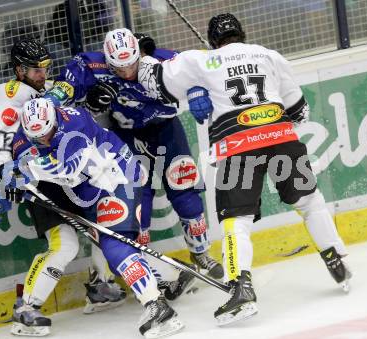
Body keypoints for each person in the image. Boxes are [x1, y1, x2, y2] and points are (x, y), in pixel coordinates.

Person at [137, 13, 351, 326]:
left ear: (213, 41)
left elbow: (155, 82)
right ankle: (337, 259)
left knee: (236, 219)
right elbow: (299, 110)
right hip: (282, 138)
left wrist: (147, 54)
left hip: (237, 146)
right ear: (243, 33)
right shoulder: (269, 55)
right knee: (308, 199)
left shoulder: (201, 61)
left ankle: (241, 288)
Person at [0, 97, 185, 338]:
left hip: (119, 179)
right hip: (91, 192)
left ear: (55, 118)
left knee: (114, 244)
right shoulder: (25, 135)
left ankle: (156, 305)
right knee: (114, 250)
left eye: (48, 132)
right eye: (37, 136)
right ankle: (170, 276)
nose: (44, 139)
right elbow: (23, 164)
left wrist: (21, 173)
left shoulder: (75, 123)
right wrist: (7, 181)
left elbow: (67, 172)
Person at [45, 28, 224, 281]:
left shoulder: (164, 60)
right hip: (127, 136)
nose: (128, 73)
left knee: (186, 195)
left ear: (140, 52)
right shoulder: (91, 66)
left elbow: (206, 68)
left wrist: (198, 90)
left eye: (132, 65)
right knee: (139, 204)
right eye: (119, 68)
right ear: (107, 61)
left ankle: (201, 252)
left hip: (167, 131)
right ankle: (150, 271)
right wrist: (87, 104)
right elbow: (59, 101)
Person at [0, 38, 126, 321]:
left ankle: (101, 285)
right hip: (40, 181)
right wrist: (3, 172)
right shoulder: (8, 95)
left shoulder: (48, 91)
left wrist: (92, 103)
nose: (43, 74)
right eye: (36, 69)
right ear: (20, 70)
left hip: (73, 176)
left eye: (46, 67)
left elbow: (74, 119)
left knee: (106, 226)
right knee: (65, 245)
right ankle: (27, 307)